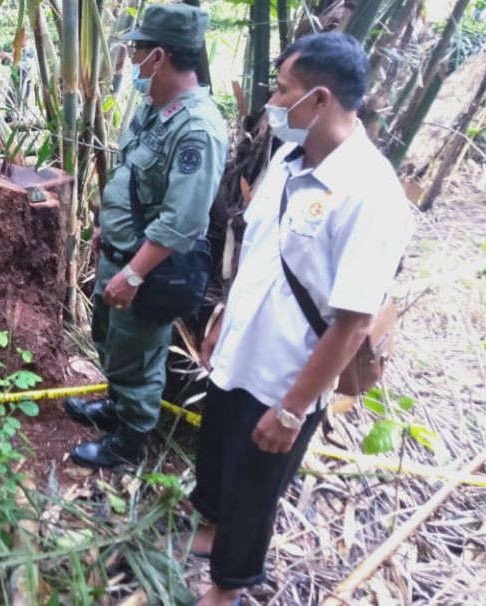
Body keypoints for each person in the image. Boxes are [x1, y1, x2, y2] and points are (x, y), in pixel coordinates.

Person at [188, 32, 413, 606]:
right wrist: (220, 317)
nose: (271, 100)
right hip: (240, 348)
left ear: (318, 100)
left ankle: (227, 586)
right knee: (216, 456)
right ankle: (208, 533)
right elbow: (260, 251)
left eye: (281, 90)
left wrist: (291, 410)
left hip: (285, 374)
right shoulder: (289, 159)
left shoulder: (369, 194)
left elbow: (353, 322)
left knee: (256, 487)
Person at [64, 3, 229, 468]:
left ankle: (131, 442)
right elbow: (132, 179)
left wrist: (134, 275)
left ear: (159, 57)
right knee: (111, 340)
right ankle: (117, 407)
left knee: (138, 355)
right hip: (119, 250)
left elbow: (182, 220)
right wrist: (104, 228)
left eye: (136, 50)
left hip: (148, 268)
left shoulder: (197, 128)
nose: (132, 59)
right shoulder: (155, 110)